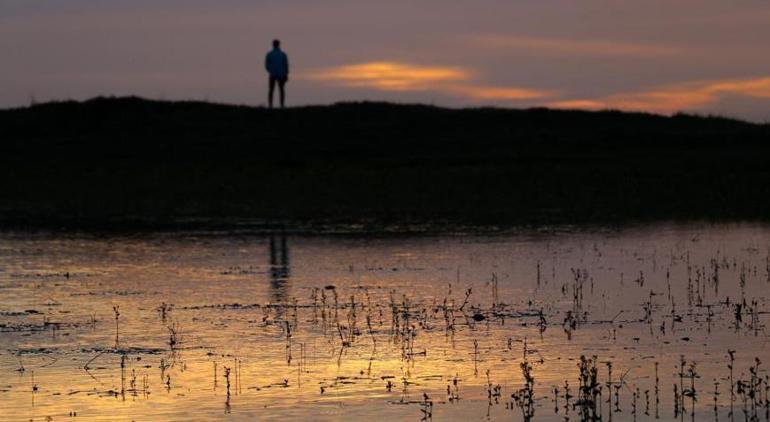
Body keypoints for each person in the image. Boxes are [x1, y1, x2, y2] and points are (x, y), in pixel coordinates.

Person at [265, 39, 289, 108]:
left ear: (273, 45)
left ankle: (270, 105)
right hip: (281, 74)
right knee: (281, 90)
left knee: (271, 90)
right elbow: (286, 65)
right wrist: (286, 74)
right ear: (279, 44)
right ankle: (282, 105)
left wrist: (270, 70)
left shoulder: (269, 54)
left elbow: (266, 65)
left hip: (272, 74)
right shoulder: (283, 54)